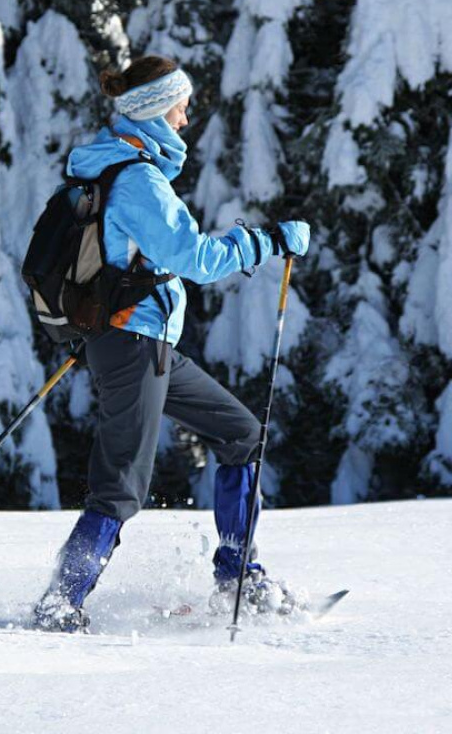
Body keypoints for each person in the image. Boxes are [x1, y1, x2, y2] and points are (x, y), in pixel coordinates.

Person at [32, 55, 311, 633]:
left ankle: (238, 575)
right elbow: (196, 260)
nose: (185, 120)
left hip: (143, 341)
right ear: (156, 110)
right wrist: (267, 241)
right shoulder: (136, 179)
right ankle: (60, 606)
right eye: (181, 107)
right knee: (119, 489)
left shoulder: (111, 169)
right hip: (134, 344)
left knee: (240, 434)